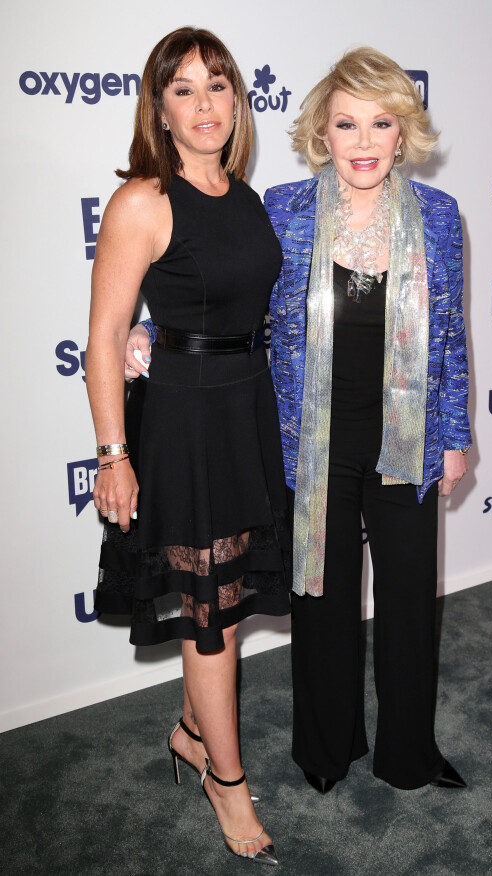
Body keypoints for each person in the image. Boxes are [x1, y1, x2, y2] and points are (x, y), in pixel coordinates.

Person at [127, 47, 472, 795]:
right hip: (306, 441)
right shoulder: (280, 209)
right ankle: (327, 748)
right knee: (322, 602)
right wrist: (152, 332)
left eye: (381, 123)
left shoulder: (440, 218)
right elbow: (227, 295)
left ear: (402, 131)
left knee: (411, 602)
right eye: (346, 124)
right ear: (322, 130)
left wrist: (455, 436)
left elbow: (449, 336)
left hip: (406, 440)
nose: (363, 142)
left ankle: (410, 752)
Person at [86, 26, 290, 864]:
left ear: (236, 100)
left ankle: (187, 733)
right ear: (160, 110)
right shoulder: (144, 200)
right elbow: (104, 337)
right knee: (213, 619)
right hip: (182, 422)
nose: (205, 105)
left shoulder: (244, 194)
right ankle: (228, 783)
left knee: (223, 599)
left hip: (246, 410)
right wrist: (112, 454)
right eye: (185, 90)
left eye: (218, 86)